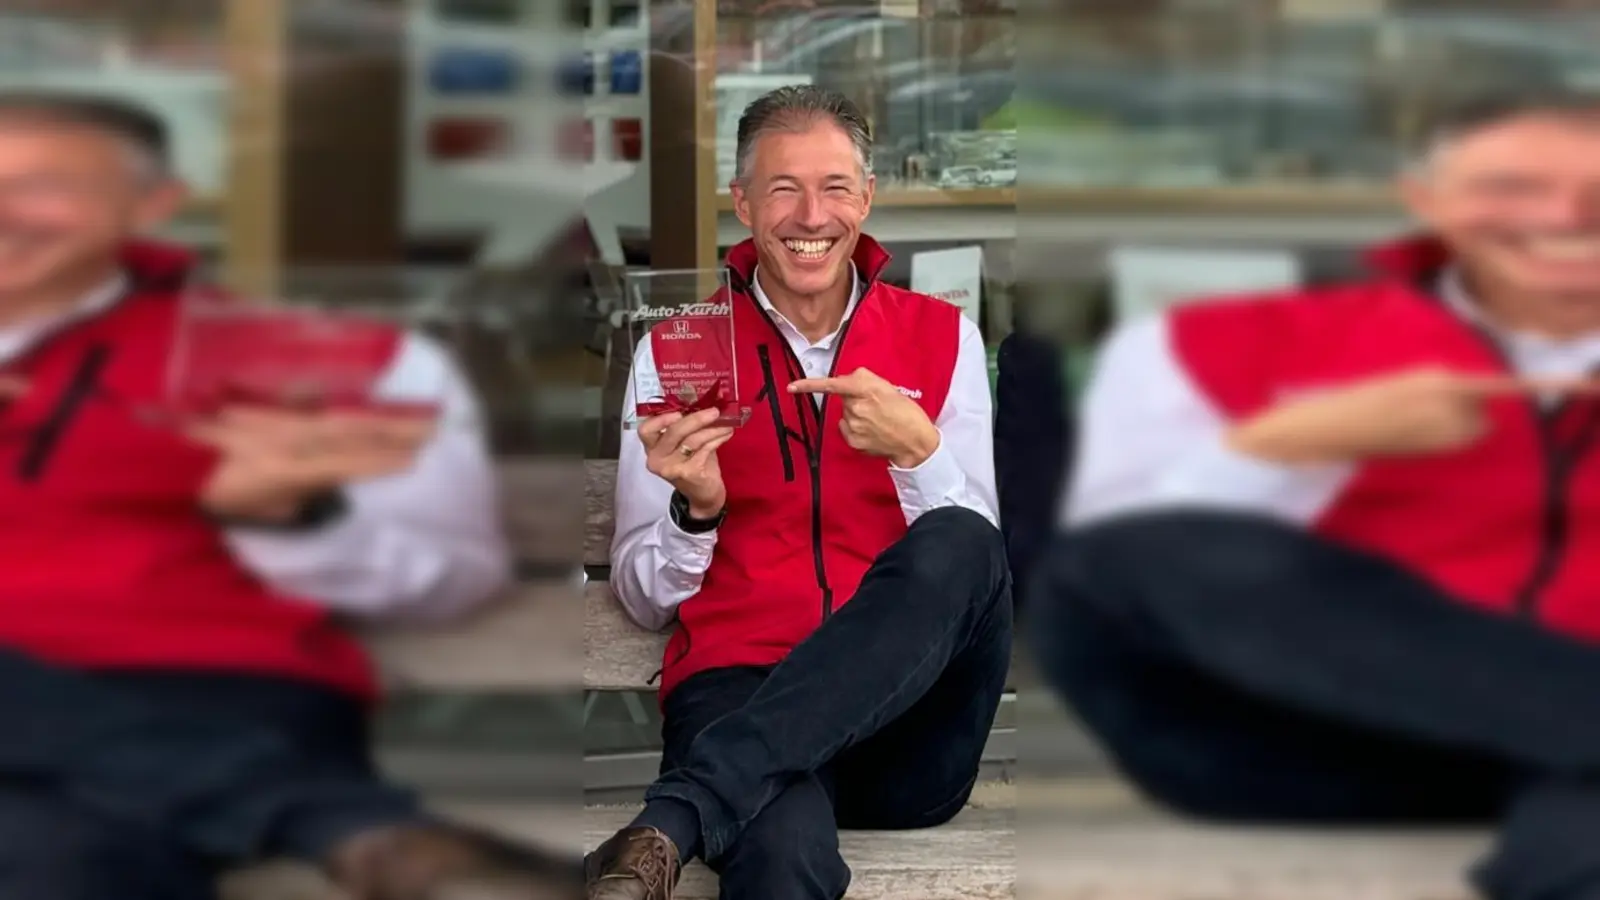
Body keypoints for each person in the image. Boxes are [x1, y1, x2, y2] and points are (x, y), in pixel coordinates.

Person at [0, 91, 579, 899]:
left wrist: (289, 517)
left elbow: (453, 577)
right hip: (215, 767)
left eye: (44, 182)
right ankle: (342, 822)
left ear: (152, 204)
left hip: (204, 689)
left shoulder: (324, 363)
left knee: (46, 855)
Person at [1030, 87, 1600, 900]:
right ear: (1425, 200)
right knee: (1105, 566)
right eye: (1511, 187)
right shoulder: (1203, 347)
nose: (1567, 215)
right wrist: (1289, 445)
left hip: (1568, 762)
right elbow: (1131, 583)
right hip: (1306, 740)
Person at [585, 85, 1011, 900]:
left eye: (835, 188)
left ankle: (672, 821)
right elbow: (642, 599)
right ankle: (702, 805)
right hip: (738, 688)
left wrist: (920, 456)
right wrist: (694, 508)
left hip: (908, 729)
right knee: (778, 855)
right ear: (742, 202)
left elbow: (976, 569)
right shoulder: (676, 353)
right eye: (783, 188)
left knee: (962, 534)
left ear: (867, 198)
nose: (811, 216)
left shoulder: (941, 336)